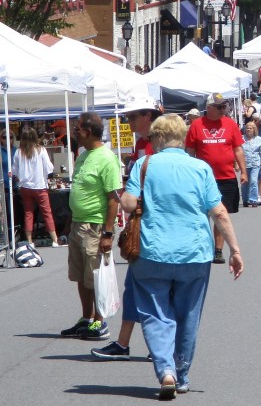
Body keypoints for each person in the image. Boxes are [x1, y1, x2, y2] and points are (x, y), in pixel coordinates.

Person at [120, 114, 244, 398]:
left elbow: (128, 204)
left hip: (152, 251)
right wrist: (235, 250)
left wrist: (126, 197)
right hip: (194, 253)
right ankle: (183, 373)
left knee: (155, 313)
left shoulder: (144, 165)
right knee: (188, 314)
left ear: (159, 138)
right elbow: (219, 212)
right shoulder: (200, 168)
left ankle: (166, 371)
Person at [90, 96, 161, 361]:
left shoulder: (159, 143)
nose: (128, 122)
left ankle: (161, 346)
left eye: (133, 117)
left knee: (156, 289)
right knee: (133, 286)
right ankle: (123, 343)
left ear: (148, 116)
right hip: (140, 224)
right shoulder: (142, 143)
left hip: (156, 225)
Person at [60, 112, 122, 341]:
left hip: (95, 226)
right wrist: (69, 223)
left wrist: (107, 232)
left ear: (88, 131)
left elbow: (113, 198)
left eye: (77, 129)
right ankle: (86, 318)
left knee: (96, 276)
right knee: (79, 275)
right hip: (78, 223)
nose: (74, 133)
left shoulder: (106, 158)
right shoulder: (83, 156)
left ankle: (100, 320)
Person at [185, 93, 248, 264]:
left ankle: (218, 250)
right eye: (219, 107)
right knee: (201, 214)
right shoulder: (196, 126)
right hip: (203, 179)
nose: (223, 110)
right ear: (209, 107)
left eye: (224, 107)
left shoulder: (230, 124)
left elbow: (238, 150)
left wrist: (243, 171)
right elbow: (190, 152)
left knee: (221, 214)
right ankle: (201, 246)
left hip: (226, 177)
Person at [12, 128, 59, 247]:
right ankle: (54, 239)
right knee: (46, 212)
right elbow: (49, 168)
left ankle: (29, 241)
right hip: (39, 185)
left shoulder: (19, 152)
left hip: (25, 186)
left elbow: (15, 170)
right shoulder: (41, 150)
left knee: (28, 213)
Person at [241, 122, 261, 207]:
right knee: (245, 183)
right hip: (244, 164)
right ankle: (245, 199)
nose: (248, 129)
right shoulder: (241, 138)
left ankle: (253, 199)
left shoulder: (258, 139)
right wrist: (236, 163)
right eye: (247, 128)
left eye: (250, 128)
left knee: (254, 181)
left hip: (255, 163)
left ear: (254, 129)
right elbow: (238, 151)